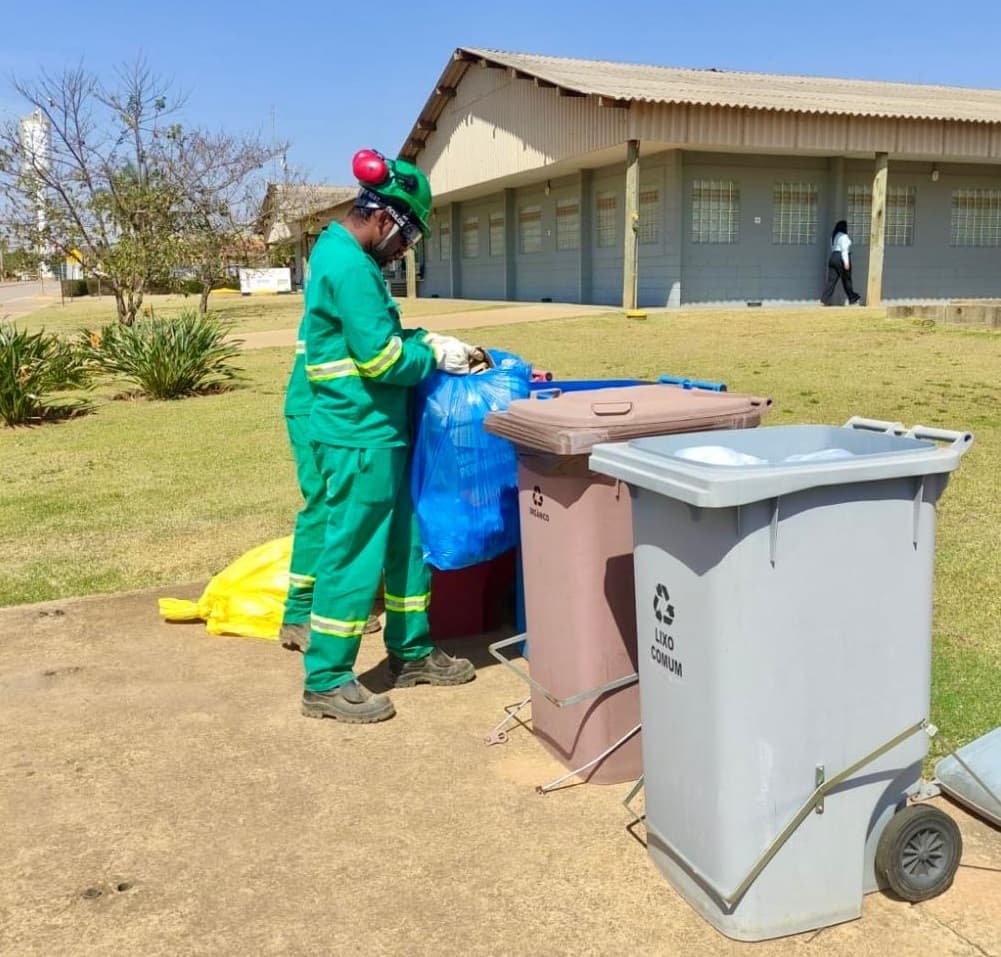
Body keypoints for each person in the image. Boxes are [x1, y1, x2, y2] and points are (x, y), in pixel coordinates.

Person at [292, 148, 477, 724]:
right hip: (358, 434)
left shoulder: (347, 256)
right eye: (408, 237)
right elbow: (381, 360)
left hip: (380, 432)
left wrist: (426, 337)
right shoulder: (349, 265)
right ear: (385, 218)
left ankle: (411, 651)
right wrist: (435, 355)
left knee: (406, 541)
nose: (405, 250)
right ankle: (325, 679)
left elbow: (376, 335)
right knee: (353, 555)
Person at [821, 220, 862, 306]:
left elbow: (833, 248)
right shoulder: (844, 237)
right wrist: (846, 262)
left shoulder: (834, 236)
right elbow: (844, 250)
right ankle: (853, 298)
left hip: (833, 257)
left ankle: (825, 299)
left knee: (831, 281)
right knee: (847, 280)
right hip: (841, 257)